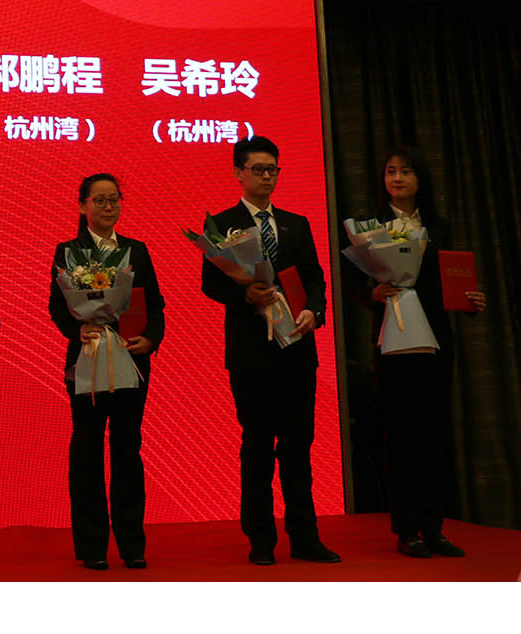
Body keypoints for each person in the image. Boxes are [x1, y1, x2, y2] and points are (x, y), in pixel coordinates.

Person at [201, 135, 338, 566]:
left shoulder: (297, 224)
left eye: (272, 169)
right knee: (257, 445)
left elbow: (315, 278)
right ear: (238, 172)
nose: (266, 176)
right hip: (252, 352)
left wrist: (315, 309)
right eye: (257, 169)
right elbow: (210, 284)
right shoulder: (222, 224)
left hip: (297, 347)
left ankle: (305, 536)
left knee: (298, 446)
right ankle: (260, 538)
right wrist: (245, 295)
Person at [365, 145, 485, 558]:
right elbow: (355, 285)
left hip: (434, 342)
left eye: (406, 171)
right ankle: (407, 529)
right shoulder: (370, 227)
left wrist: (469, 301)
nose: (397, 178)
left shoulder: (438, 226)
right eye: (391, 171)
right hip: (393, 341)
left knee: (434, 435)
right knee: (401, 436)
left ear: (421, 179)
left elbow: (449, 280)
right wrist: (372, 293)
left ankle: (434, 527)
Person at [47, 173, 164, 571]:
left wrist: (151, 339)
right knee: (87, 449)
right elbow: (58, 306)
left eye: (114, 199)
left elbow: (155, 305)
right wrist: (76, 329)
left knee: (128, 449)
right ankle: (92, 545)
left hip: (131, 359)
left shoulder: (136, 250)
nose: (108, 207)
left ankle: (132, 544)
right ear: (83, 205)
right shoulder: (68, 252)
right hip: (87, 358)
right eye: (99, 200)